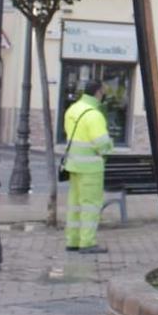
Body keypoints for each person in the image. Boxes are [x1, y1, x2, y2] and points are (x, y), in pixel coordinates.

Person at [61, 82, 113, 255]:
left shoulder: (73, 109)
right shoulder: (94, 115)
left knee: (74, 205)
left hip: (73, 165)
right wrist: (109, 148)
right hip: (91, 168)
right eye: (103, 92)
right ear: (98, 93)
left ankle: (72, 240)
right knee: (90, 206)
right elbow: (103, 144)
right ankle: (87, 243)